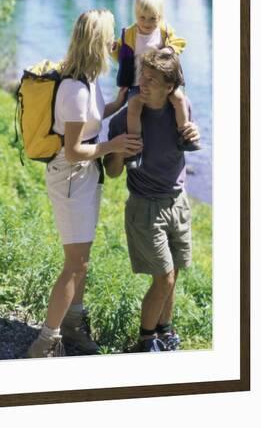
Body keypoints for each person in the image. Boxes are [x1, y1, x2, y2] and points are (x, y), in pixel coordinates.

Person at [27, 9, 143, 358]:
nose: (114, 43)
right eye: (110, 36)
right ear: (96, 41)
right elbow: (75, 149)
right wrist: (113, 146)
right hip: (71, 178)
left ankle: (73, 327)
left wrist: (117, 103)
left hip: (84, 178)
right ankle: (46, 342)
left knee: (82, 261)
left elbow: (89, 119)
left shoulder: (89, 80)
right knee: (74, 265)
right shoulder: (75, 89)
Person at [104, 49, 200, 352]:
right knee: (164, 279)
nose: (143, 83)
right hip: (145, 208)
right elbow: (113, 172)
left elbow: (188, 143)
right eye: (142, 76)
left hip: (178, 203)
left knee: (173, 275)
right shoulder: (125, 118)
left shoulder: (181, 110)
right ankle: (145, 341)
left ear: (170, 87)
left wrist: (193, 133)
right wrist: (118, 149)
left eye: (152, 80)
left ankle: (165, 331)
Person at [112, 0, 200, 169]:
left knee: (179, 98)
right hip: (137, 82)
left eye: (153, 18)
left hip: (161, 83)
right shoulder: (129, 34)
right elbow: (120, 55)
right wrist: (113, 49)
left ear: (160, 16)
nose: (147, 23)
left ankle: (184, 135)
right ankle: (135, 149)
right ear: (136, 14)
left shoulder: (164, 31)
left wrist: (170, 50)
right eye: (142, 17)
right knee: (134, 107)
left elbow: (181, 42)